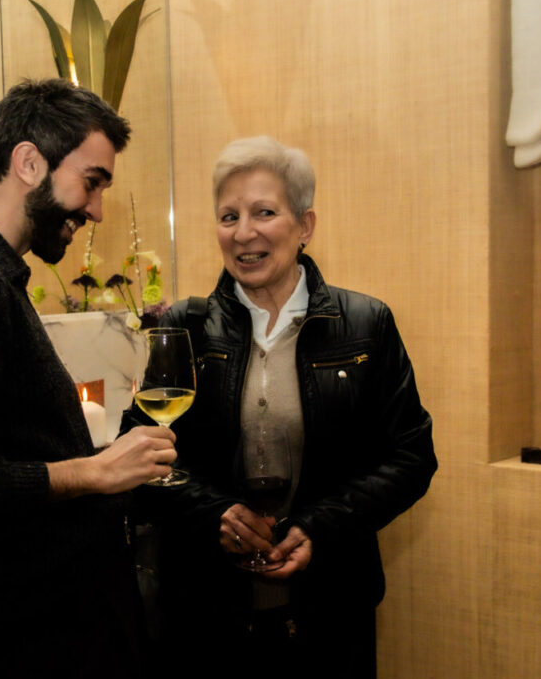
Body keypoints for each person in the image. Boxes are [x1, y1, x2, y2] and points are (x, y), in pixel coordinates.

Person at [0, 78, 177, 676]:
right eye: (91, 181)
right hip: (28, 632)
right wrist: (94, 471)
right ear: (28, 162)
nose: (96, 209)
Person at [123, 136, 436, 677]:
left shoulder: (366, 324)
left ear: (305, 225)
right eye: (228, 216)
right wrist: (214, 514)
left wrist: (320, 528)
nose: (244, 232)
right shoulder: (187, 330)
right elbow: (139, 462)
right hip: (208, 615)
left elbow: (412, 458)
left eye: (264, 212)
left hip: (331, 611)